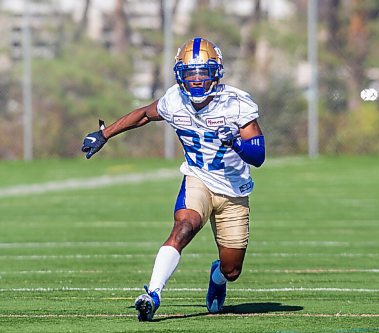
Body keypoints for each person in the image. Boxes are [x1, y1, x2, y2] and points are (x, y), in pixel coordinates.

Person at [81, 37, 265, 321]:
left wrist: (237, 143)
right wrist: (105, 134)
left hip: (233, 190)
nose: (196, 81)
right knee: (185, 225)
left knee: (232, 270)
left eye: (202, 73)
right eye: (190, 74)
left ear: (216, 72)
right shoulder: (174, 100)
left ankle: (216, 278)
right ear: (180, 75)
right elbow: (144, 114)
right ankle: (152, 294)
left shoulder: (236, 103)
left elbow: (259, 155)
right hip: (198, 178)